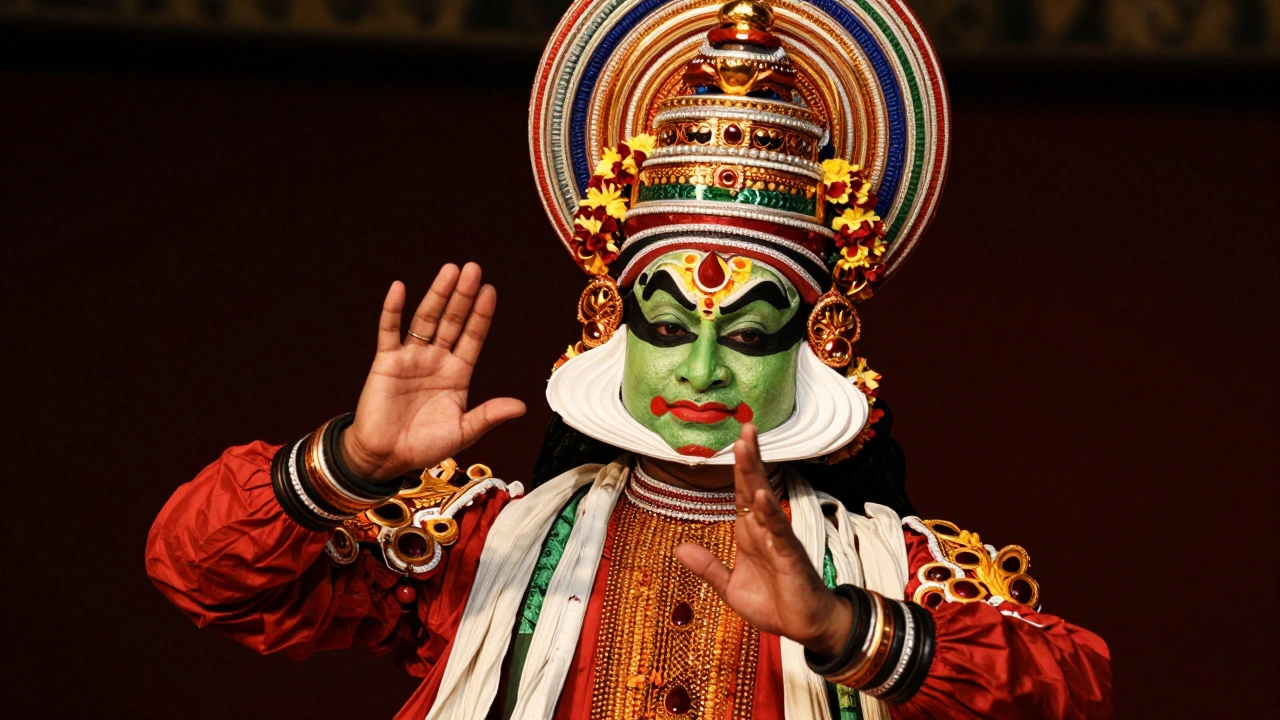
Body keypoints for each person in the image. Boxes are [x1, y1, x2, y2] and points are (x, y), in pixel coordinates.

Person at [146, 1, 1112, 718]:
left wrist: (838, 629)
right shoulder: (481, 545)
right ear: (612, 324)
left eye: (745, 333)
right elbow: (205, 577)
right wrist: (352, 464)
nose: (698, 370)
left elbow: (1071, 690)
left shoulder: (892, 570)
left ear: (820, 346)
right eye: (665, 326)